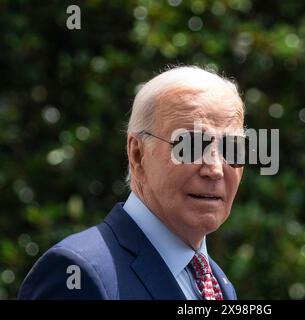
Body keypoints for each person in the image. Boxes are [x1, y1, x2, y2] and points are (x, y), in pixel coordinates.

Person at [18, 66, 245, 300]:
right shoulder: (77, 274)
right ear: (138, 154)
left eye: (232, 148)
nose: (215, 169)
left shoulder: (217, 283)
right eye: (191, 146)